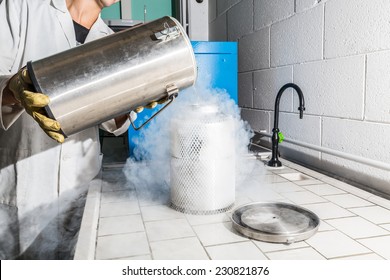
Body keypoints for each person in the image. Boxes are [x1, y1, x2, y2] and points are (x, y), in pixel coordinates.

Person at [0, 0, 133, 259]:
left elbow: (112, 122)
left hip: (78, 190)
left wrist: (134, 98)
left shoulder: (108, 41)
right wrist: (15, 89)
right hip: (22, 183)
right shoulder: (22, 6)